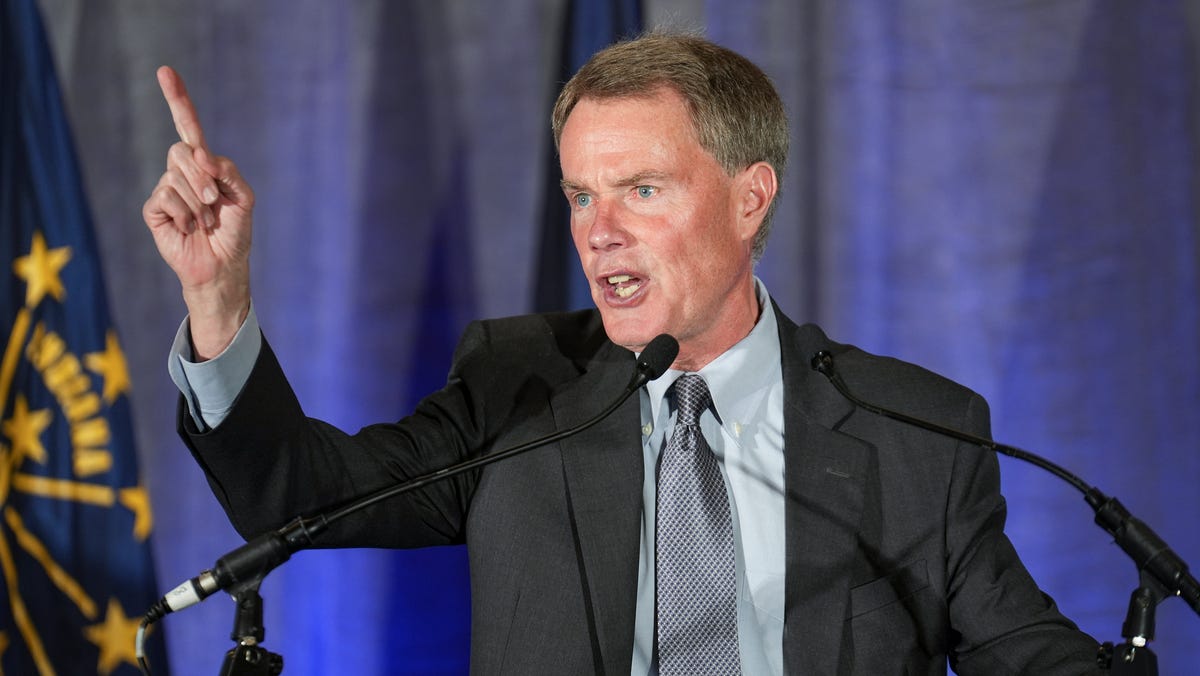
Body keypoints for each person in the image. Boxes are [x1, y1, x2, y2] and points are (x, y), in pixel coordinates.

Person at [143, 32, 1103, 675]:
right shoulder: (519, 388)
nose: (599, 233)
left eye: (641, 190)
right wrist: (217, 297)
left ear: (750, 198)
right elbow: (299, 496)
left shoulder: (915, 433)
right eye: (580, 196)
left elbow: (1029, 653)